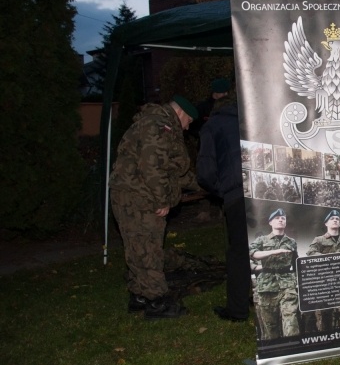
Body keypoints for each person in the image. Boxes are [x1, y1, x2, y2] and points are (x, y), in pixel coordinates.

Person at [110, 95, 200, 319]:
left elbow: (172, 169)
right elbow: (153, 167)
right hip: (139, 198)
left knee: (137, 247)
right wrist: (162, 200)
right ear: (181, 113)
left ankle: (139, 294)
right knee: (148, 248)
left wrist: (205, 183)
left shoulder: (151, 122)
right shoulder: (159, 126)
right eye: (189, 120)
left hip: (130, 194)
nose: (188, 127)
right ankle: (157, 302)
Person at [196, 94, 250, 322]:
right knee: (266, 243)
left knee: (239, 252)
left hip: (237, 193)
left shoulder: (213, 125)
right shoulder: (251, 117)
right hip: (267, 191)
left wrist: (223, 191)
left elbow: (206, 172)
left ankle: (237, 310)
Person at [249, 208, 300, 339]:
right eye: (277, 218)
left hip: (287, 283)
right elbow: (253, 253)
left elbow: (296, 263)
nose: (281, 220)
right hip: (267, 284)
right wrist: (274, 252)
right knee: (270, 325)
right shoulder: (261, 240)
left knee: (291, 319)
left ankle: (293, 346)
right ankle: (276, 350)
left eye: (283, 218)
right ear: (270, 222)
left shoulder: (291, 242)